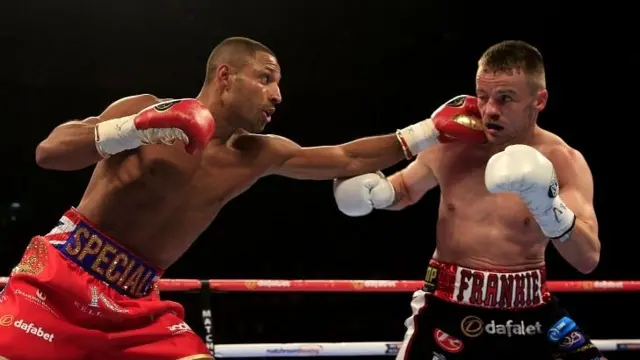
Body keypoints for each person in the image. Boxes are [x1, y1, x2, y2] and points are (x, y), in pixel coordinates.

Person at [0, 37, 486, 360]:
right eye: (266, 78)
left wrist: (425, 132)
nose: (277, 95)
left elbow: (342, 158)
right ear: (225, 76)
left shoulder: (257, 154)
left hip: (135, 304)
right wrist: (135, 128)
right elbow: (51, 153)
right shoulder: (144, 110)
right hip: (55, 285)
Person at [333, 40, 604, 360]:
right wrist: (377, 193)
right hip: (448, 304)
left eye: (505, 98)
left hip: (533, 310)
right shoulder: (451, 142)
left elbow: (587, 258)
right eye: (483, 96)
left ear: (539, 100)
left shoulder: (564, 161)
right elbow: (404, 189)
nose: (490, 110)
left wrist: (547, 206)